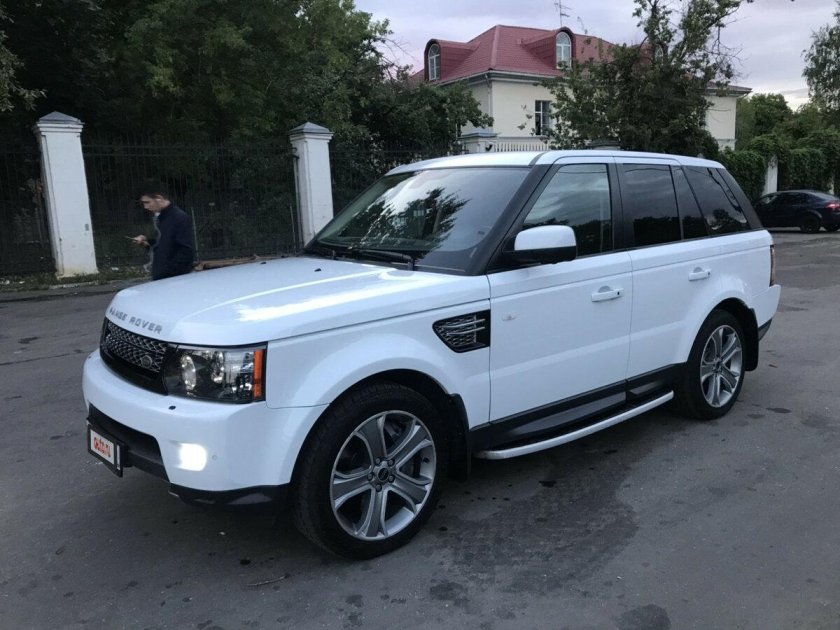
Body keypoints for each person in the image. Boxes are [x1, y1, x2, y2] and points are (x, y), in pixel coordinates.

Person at [131, 184, 195, 281]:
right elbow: (166, 244)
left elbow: (186, 252)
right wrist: (148, 242)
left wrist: (167, 273)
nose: (145, 207)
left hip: (172, 279)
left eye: (147, 202)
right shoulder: (163, 217)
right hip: (165, 277)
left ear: (159, 198)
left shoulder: (178, 217)